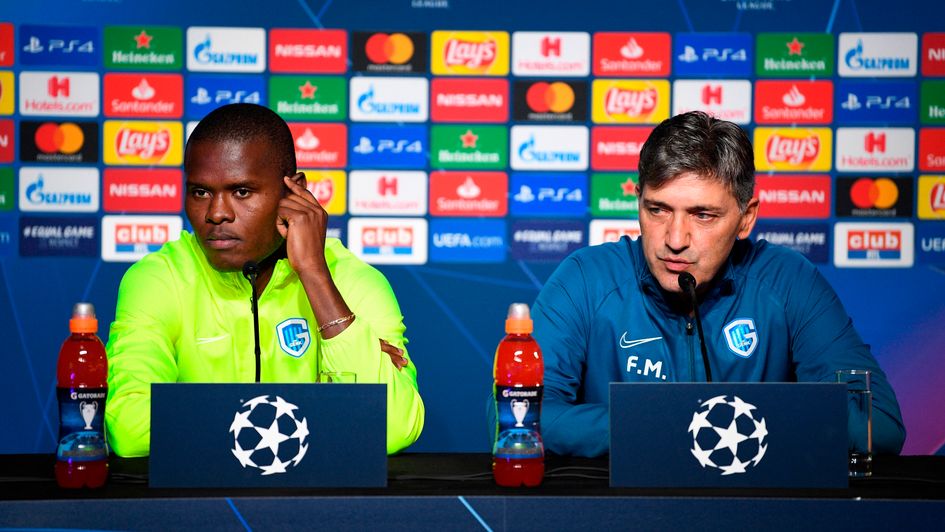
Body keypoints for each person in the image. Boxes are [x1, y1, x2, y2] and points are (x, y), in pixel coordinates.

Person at [533, 111, 905, 458]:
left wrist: (727, 428)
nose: (675, 238)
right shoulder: (585, 279)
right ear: (638, 202)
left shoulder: (787, 281)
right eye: (658, 209)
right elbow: (518, 417)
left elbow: (879, 424)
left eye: (703, 215)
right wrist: (673, 428)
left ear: (746, 218)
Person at [105, 103, 424, 456]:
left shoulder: (352, 281)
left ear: (294, 192)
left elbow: (391, 427)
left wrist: (316, 276)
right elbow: (130, 431)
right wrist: (325, 410)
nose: (217, 213)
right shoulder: (156, 279)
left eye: (242, 192)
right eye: (200, 192)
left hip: (320, 508)